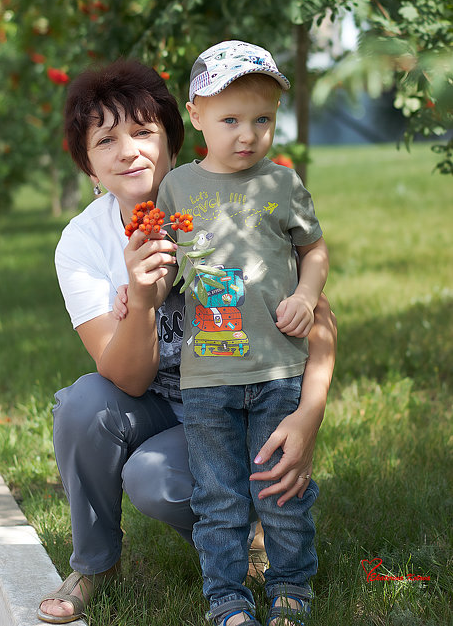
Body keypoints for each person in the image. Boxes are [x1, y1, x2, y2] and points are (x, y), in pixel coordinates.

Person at [37, 57, 336, 625]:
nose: (129, 151)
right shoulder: (82, 243)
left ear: (177, 140)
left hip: (238, 399)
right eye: (106, 141)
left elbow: (318, 316)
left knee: (152, 477)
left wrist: (309, 418)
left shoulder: (224, 200)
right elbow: (124, 378)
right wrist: (143, 301)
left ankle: (249, 532)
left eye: (144, 132)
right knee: (81, 404)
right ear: (90, 168)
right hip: (157, 399)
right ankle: (96, 564)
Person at [155, 40, 329, 626]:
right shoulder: (177, 186)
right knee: (219, 499)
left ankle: (290, 588)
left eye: (262, 119)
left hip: (279, 369)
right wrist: (143, 288)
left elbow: (314, 249)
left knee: (280, 490)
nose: (247, 134)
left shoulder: (282, 184)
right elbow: (165, 266)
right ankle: (226, 598)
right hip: (207, 376)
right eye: (230, 120)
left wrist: (305, 294)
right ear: (196, 115)